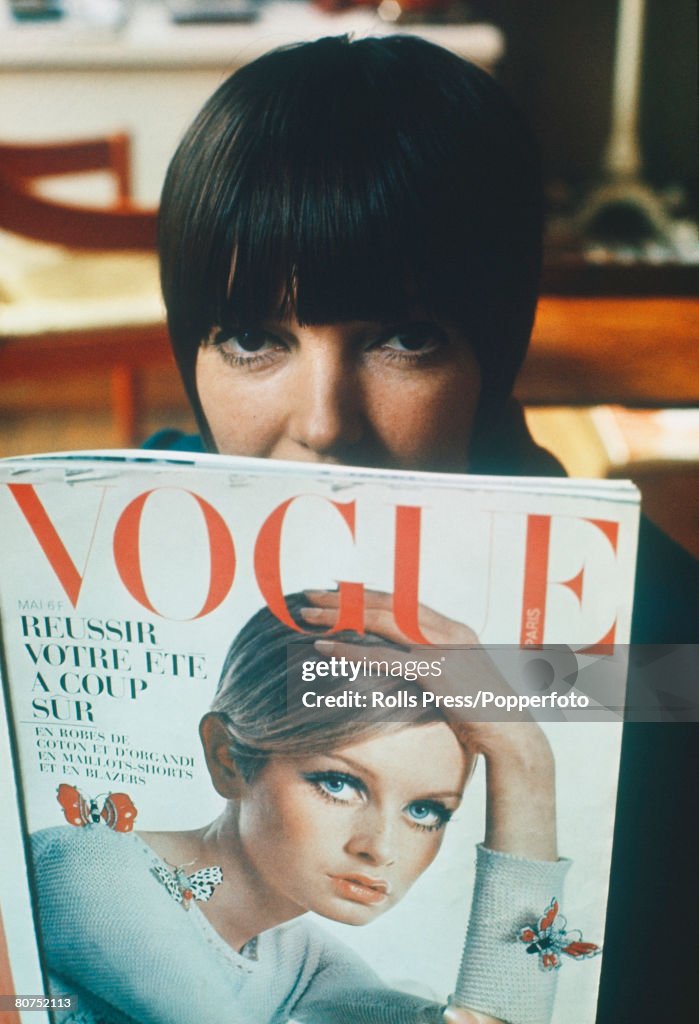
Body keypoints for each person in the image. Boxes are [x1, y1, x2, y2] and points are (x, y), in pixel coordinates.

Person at [148, 34, 698, 1021]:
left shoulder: (651, 614)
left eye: (402, 338)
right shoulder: (117, 516)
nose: (321, 422)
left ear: (494, 345)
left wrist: (524, 745)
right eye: (252, 337)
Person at [32, 594, 570, 1024]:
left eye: (426, 811)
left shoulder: (297, 962)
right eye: (339, 783)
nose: (379, 848)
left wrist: (526, 763)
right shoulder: (87, 865)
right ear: (228, 759)